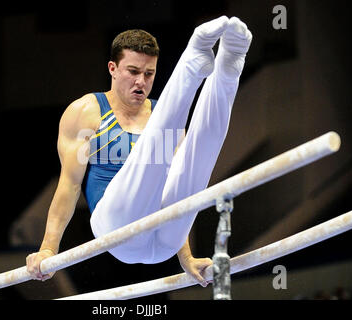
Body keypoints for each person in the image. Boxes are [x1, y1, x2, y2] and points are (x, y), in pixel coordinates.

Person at [26, 16, 252, 287]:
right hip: (115, 226)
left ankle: (228, 69)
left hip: (165, 239)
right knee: (155, 149)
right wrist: (49, 249)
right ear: (112, 68)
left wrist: (187, 258)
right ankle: (192, 62)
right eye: (133, 71)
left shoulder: (163, 113)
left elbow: (180, 187)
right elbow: (70, 185)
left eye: (149, 74)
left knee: (196, 160)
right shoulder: (86, 112)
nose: (141, 82)